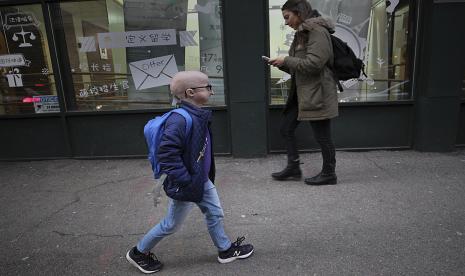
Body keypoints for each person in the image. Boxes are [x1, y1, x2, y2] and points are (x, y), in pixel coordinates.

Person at [126, 71, 254, 274]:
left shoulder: (198, 114)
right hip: (188, 181)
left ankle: (225, 250)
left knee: (214, 213)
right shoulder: (180, 120)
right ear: (190, 92)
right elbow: (167, 155)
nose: (212, 92)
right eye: (208, 87)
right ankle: (138, 252)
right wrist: (186, 180)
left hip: (199, 179)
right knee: (171, 224)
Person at [268, 0, 338, 185]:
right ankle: (293, 167)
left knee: (322, 136)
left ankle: (329, 173)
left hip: (317, 93)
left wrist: (287, 60)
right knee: (286, 128)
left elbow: (314, 64)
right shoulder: (301, 35)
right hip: (301, 93)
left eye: (287, 17)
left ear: (298, 13)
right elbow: (298, 67)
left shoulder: (317, 32)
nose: (286, 22)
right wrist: (281, 63)